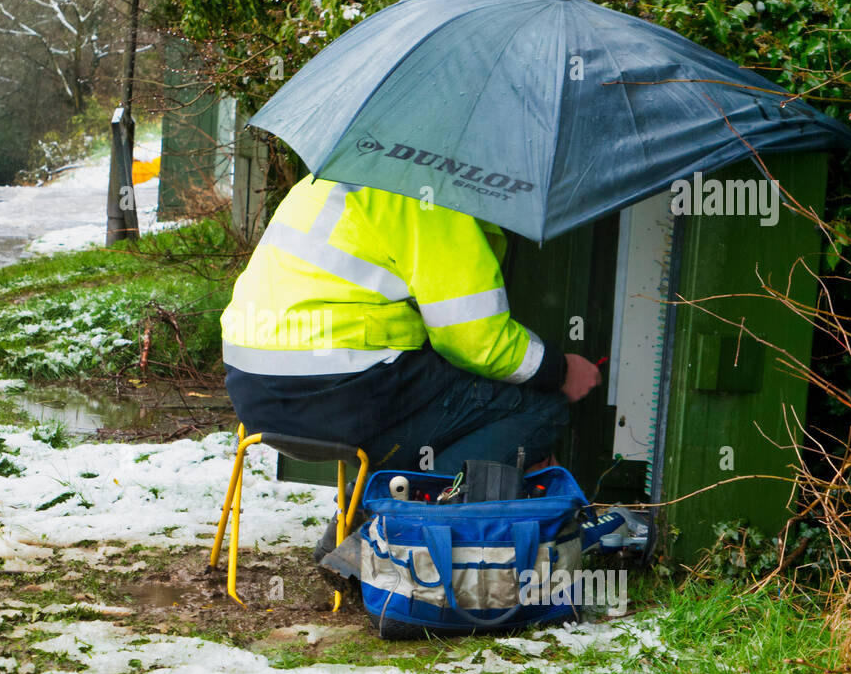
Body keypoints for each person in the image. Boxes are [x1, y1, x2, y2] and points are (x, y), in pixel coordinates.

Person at [220, 176, 601, 491]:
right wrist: (560, 371)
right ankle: (389, 520)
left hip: (255, 392)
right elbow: (474, 339)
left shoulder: (329, 178)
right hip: (339, 390)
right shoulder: (429, 193)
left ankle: (377, 503)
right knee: (538, 411)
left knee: (439, 398)